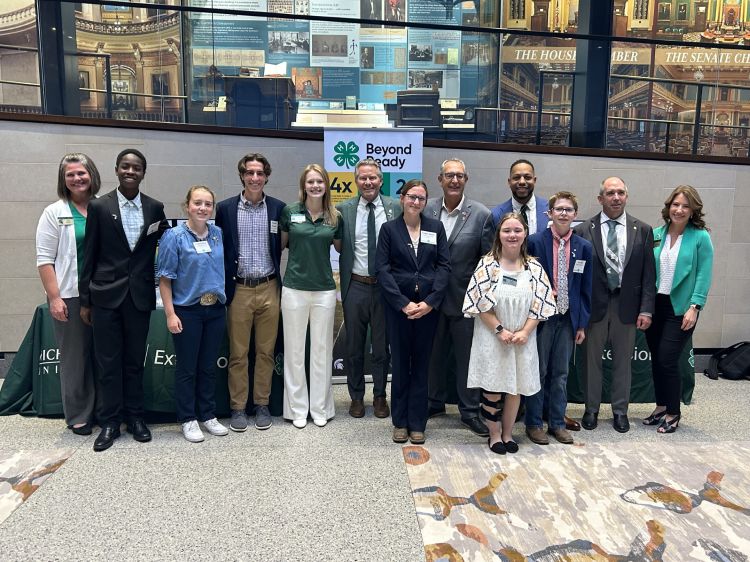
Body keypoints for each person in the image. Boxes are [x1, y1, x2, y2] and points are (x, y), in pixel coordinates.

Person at [79, 148, 168, 452]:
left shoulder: (156, 208)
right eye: (126, 167)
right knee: (107, 363)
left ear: (144, 172)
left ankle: (136, 418)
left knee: (134, 362)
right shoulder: (99, 207)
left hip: (139, 297)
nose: (131, 172)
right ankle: (109, 422)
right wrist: (85, 300)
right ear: (117, 170)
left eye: (137, 168)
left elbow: (163, 249)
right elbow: (88, 254)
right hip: (105, 296)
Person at [463, 212, 556, 454]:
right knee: (493, 387)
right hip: (492, 336)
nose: (512, 235)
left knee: (515, 388)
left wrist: (525, 331)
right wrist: (500, 330)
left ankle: (508, 433)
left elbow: (541, 303)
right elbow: (478, 303)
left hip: (523, 339)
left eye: (517, 230)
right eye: (507, 231)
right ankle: (494, 435)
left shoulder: (534, 267)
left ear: (525, 234)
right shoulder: (487, 264)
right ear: (499, 235)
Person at [574, 177, 656, 433]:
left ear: (627, 197)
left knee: (623, 362)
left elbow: (648, 275)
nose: (616, 197)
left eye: (621, 192)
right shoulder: (584, 230)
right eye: (610, 193)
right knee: (591, 362)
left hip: (627, 306)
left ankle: (621, 411)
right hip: (594, 306)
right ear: (600, 199)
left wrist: (646, 309)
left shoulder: (642, 229)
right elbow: (578, 275)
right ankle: (591, 409)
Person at [376, 179, 450, 445]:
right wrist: (402, 303)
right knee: (400, 365)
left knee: (421, 366)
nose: (416, 202)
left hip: (427, 309)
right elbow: (382, 270)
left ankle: (417, 423)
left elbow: (444, 267)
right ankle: (400, 422)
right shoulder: (389, 230)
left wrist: (430, 302)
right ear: (402, 198)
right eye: (411, 197)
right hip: (399, 309)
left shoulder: (436, 228)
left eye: (421, 198)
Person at [425, 158, 494, 437]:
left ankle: (469, 411)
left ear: (466, 180)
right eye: (449, 175)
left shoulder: (481, 214)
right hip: (430, 298)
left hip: (466, 300)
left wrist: (481, 298)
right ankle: (433, 402)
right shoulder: (426, 208)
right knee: (432, 355)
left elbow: (488, 260)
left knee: (467, 358)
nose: (454, 180)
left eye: (460, 176)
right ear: (440, 179)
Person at [215, 153, 284, 433]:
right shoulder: (225, 209)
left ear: (267, 176)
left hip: (270, 287)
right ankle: (238, 407)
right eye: (249, 172)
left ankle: (262, 403)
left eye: (259, 173)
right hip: (240, 288)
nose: (254, 178)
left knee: (266, 352)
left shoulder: (279, 209)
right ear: (242, 175)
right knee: (239, 353)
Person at [36, 153, 101, 436]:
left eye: (81, 173)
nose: (77, 178)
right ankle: (78, 414)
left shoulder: (102, 207)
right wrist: (54, 297)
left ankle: (103, 409)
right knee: (75, 358)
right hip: (71, 295)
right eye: (70, 174)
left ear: (92, 175)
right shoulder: (54, 212)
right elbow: (44, 259)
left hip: (103, 295)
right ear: (64, 180)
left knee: (104, 356)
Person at [157, 186, 229, 443]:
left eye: (208, 204)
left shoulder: (218, 234)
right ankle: (188, 418)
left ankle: (207, 414)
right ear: (187, 205)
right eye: (198, 203)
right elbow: (165, 279)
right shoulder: (174, 237)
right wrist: (170, 314)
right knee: (188, 368)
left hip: (215, 310)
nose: (203, 208)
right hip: (187, 311)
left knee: (208, 367)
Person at [525, 191, 593, 445]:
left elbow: (586, 289)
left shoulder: (583, 247)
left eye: (568, 210)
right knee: (539, 371)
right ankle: (533, 423)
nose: (563, 213)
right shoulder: (534, 242)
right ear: (549, 213)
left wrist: (582, 323)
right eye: (559, 209)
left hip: (567, 318)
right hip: (541, 319)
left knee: (561, 373)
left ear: (575, 215)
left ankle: (556, 422)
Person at [644, 186, 713, 434]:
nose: (679, 210)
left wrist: (695, 306)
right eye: (676, 204)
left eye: (685, 206)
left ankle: (673, 412)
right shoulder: (656, 233)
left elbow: (704, 275)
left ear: (693, 210)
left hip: (682, 307)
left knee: (667, 358)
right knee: (657, 360)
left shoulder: (700, 237)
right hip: (656, 305)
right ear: (668, 207)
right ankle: (661, 406)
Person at [337, 158, 401, 419]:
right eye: (363, 178)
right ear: (356, 181)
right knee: (353, 347)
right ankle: (355, 397)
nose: (368, 182)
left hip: (385, 288)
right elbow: (339, 246)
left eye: (373, 177)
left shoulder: (395, 207)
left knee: (381, 347)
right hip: (356, 285)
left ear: (381, 179)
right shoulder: (343, 210)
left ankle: (379, 396)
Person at [280, 164, 342, 428]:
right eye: (310, 182)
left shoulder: (334, 217)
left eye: (320, 182)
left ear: (326, 185)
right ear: (303, 185)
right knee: (294, 351)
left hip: (325, 290)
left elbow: (341, 248)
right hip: (294, 288)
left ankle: (320, 408)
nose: (315, 186)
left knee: (321, 351)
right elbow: (280, 246)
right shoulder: (290, 212)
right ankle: (297, 409)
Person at [490, 159, 549, 233]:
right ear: (509, 182)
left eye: (527, 177)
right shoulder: (496, 215)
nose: (522, 182)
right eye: (516, 177)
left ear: (534, 180)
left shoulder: (550, 210)